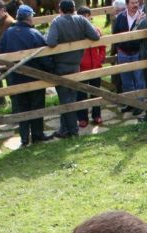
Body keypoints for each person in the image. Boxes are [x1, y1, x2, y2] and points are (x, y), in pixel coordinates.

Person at [0, 4, 55, 147]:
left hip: (15, 78)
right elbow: (43, 57)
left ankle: (24, 138)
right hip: (34, 77)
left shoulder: (7, 33)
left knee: (21, 107)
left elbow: (1, 54)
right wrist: (51, 69)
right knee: (36, 105)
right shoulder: (34, 34)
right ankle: (37, 134)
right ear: (29, 18)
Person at [46, 0, 100, 139]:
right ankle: (65, 129)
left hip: (60, 65)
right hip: (76, 64)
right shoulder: (81, 20)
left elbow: (51, 42)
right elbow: (95, 36)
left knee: (65, 99)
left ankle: (73, 130)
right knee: (71, 98)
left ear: (60, 9)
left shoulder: (57, 22)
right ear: (74, 8)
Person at [112, 0, 145, 115]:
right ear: (127, 5)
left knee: (139, 80)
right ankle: (130, 103)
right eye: (132, 3)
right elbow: (115, 34)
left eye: (137, 2)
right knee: (126, 81)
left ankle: (140, 104)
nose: (135, 5)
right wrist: (118, 49)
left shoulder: (143, 17)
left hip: (137, 52)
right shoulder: (120, 17)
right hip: (123, 53)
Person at [75, 6, 106, 127]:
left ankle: (96, 115)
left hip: (95, 67)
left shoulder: (96, 30)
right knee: (81, 94)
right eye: (83, 17)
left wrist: (100, 58)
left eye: (88, 16)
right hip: (81, 68)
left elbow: (102, 46)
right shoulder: (76, 33)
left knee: (96, 92)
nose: (86, 19)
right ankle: (82, 118)